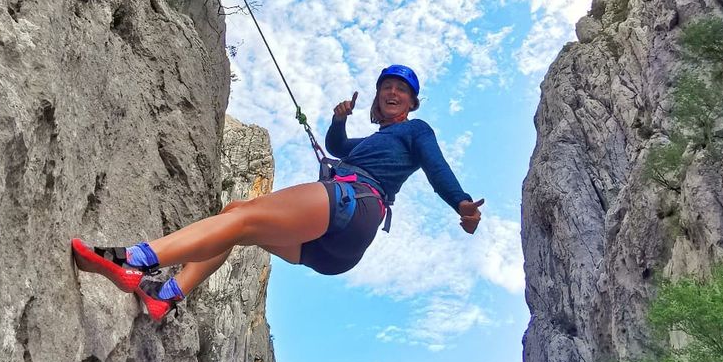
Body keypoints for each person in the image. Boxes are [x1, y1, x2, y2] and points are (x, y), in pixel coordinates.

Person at [71, 64, 483, 320]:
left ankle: (138, 261)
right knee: (237, 219)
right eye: (386, 87)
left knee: (243, 216)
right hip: (338, 249)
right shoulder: (375, 142)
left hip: (353, 202)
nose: (392, 93)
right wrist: (339, 121)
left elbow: (436, 167)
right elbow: (339, 148)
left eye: (402, 90)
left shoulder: (416, 131)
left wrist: (460, 203)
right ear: (379, 96)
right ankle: (169, 293)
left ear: (412, 102)